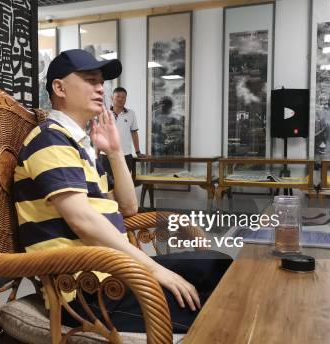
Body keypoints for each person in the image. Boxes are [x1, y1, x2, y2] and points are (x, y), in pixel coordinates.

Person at [13, 49, 231, 333]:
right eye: (90, 79)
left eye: (101, 81)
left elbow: (128, 208)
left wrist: (115, 152)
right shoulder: (50, 140)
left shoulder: (79, 144)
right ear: (59, 87)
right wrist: (155, 270)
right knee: (216, 306)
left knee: (218, 264)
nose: (100, 87)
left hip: (114, 270)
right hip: (87, 291)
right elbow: (83, 221)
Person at [99, 87, 145, 177]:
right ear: (112, 98)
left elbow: (134, 133)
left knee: (124, 183)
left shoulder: (131, 114)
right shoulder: (104, 113)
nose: (120, 99)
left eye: (123, 97)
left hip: (125, 155)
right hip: (106, 155)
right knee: (106, 184)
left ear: (126, 99)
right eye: (118, 96)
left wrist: (138, 152)